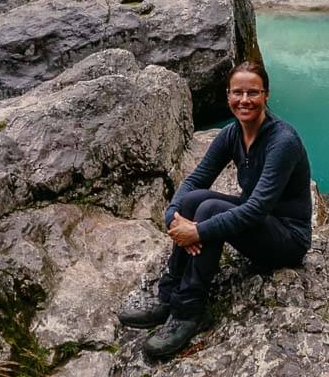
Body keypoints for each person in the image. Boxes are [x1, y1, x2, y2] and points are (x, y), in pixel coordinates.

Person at [118, 60, 312, 358]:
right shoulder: (232, 134)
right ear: (228, 95)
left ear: (266, 95)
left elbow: (257, 209)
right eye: (237, 93)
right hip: (259, 225)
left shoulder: (282, 141)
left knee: (207, 210)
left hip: (287, 239)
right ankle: (169, 295)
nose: (244, 100)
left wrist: (197, 230)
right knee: (193, 201)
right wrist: (173, 215)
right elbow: (196, 180)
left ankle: (189, 311)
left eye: (253, 93)